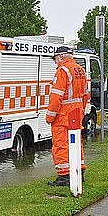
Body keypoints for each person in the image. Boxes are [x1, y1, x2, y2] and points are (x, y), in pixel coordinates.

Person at [46, 46, 90, 186]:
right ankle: (79, 171)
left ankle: (65, 176)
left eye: (55, 59)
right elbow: (85, 94)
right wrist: (80, 111)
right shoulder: (80, 70)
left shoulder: (62, 71)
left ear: (60, 57)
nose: (55, 63)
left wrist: (50, 116)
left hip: (63, 115)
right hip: (76, 114)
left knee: (61, 144)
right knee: (77, 143)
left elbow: (56, 96)